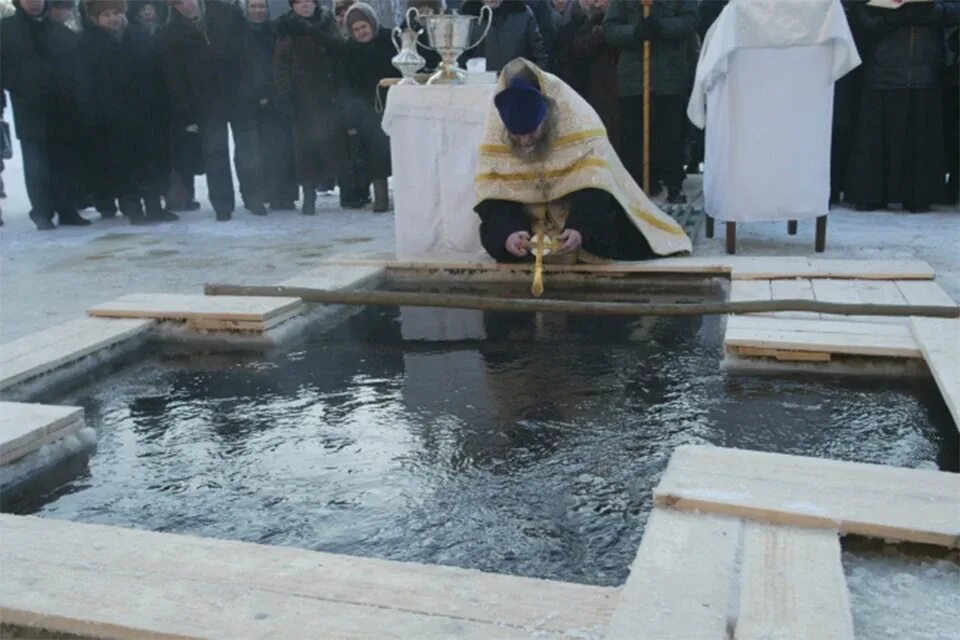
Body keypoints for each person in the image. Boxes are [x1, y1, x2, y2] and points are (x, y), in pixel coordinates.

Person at [473, 58, 691, 263]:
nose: (525, 141)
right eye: (517, 136)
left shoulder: (576, 119)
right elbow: (494, 196)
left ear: (545, 118)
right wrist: (509, 233)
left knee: (611, 233)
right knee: (499, 238)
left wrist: (581, 228)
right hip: (528, 223)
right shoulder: (496, 133)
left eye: (531, 133)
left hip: (575, 212)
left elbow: (596, 185)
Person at [159, 0, 267, 221]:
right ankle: (222, 204)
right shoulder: (170, 32)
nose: (185, 6)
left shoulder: (228, 13)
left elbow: (251, 53)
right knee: (214, 153)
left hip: (239, 94)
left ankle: (254, 197)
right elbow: (174, 77)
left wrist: (256, 87)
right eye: (177, 4)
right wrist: (186, 110)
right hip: (205, 101)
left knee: (249, 150)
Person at [846, 1, 955, 213]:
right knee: (876, 138)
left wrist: (932, 11)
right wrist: (894, 16)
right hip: (882, 70)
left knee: (921, 137)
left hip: (926, 73)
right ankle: (871, 195)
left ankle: (918, 196)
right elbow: (860, 20)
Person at [75, 0, 177, 225]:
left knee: (151, 162)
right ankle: (132, 208)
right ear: (95, 18)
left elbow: (156, 73)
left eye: (116, 13)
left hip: (145, 113)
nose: (113, 18)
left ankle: (154, 206)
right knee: (123, 165)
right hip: (112, 118)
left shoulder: (140, 37)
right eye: (106, 14)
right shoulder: (87, 45)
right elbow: (84, 86)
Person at [1, 0, 91, 229]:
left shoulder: (58, 30)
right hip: (30, 107)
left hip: (62, 107)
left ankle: (68, 210)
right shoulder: (7, 29)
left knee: (64, 162)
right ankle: (42, 211)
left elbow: (76, 66)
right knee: (36, 164)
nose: (34, 3)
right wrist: (20, 84)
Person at [603, 0, 697, 204]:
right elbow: (610, 28)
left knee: (671, 133)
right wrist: (634, 32)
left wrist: (662, 27)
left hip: (668, 74)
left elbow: (691, 20)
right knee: (632, 135)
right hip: (633, 77)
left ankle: (673, 184)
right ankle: (637, 185)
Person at [274, 0, 352, 214]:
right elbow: (280, 64)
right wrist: (285, 93)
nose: (304, 6)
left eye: (307, 1)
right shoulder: (287, 27)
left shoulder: (327, 22)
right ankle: (309, 197)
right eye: (298, 3)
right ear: (293, 6)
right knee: (305, 149)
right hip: (303, 96)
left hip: (330, 94)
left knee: (336, 144)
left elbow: (340, 52)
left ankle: (349, 193)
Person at [344, 2, 399, 212]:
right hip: (367, 108)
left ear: (372, 23)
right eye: (356, 30)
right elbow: (347, 84)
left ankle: (405, 195)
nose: (361, 32)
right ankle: (381, 196)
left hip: (393, 101)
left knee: (399, 151)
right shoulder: (349, 50)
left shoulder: (389, 39)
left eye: (364, 27)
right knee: (376, 154)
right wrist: (352, 117)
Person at [245, 0, 299, 211]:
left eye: (261, 6)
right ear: (247, 9)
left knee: (283, 149)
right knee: (258, 151)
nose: (258, 10)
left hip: (278, 96)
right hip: (252, 99)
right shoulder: (242, 33)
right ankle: (262, 193)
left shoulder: (275, 30)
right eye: (253, 6)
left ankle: (285, 195)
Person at [460, 0, 547, 73]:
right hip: (477, 88)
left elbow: (539, 56)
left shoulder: (522, 13)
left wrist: (531, 81)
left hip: (516, 87)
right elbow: (459, 57)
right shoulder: (465, 16)